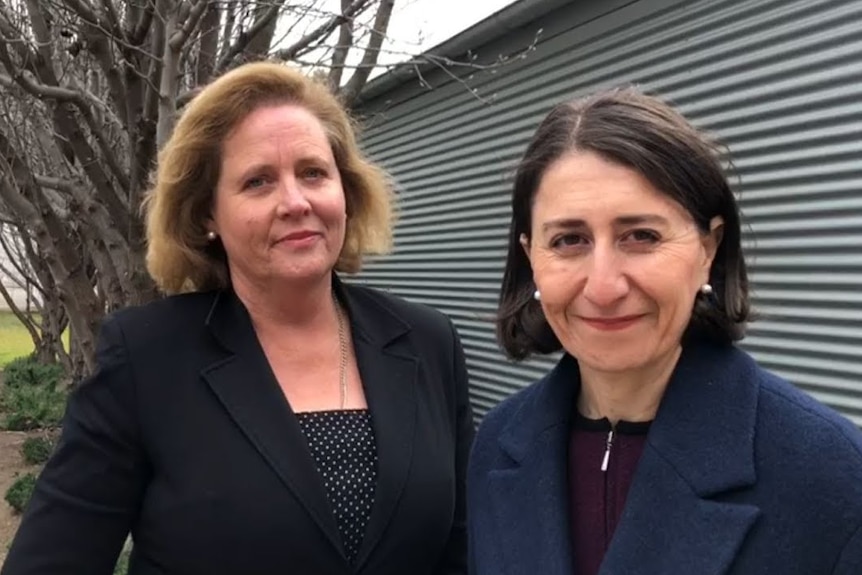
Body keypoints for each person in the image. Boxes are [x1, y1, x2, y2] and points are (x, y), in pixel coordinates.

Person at [3, 61, 473, 575]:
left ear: (346, 191)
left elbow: (463, 547)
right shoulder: (147, 359)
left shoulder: (428, 343)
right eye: (258, 182)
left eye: (313, 172)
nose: (295, 202)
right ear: (208, 216)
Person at [466, 88, 862, 575]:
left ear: (709, 250)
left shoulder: (832, 475)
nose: (604, 286)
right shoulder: (498, 444)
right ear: (532, 260)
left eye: (642, 236)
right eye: (569, 240)